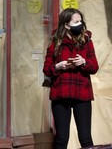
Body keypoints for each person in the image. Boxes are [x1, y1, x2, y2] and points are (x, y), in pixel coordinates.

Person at [43, 8, 99, 149]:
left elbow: (95, 67)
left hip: (82, 93)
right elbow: (46, 69)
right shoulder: (55, 41)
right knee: (61, 138)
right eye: (76, 21)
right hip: (60, 94)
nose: (80, 24)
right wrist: (58, 66)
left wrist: (84, 62)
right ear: (66, 25)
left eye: (81, 21)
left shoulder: (86, 40)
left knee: (85, 138)